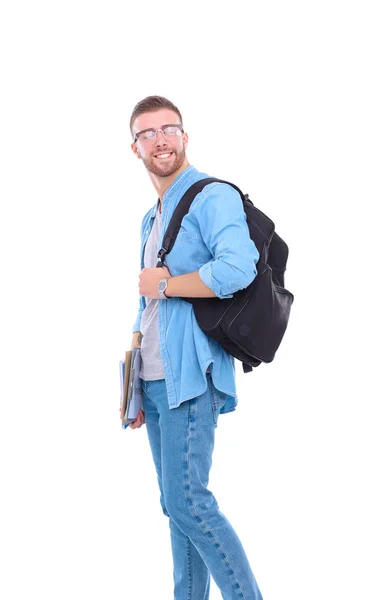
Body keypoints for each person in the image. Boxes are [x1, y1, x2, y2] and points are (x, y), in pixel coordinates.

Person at [128, 95, 263, 600]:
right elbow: (145, 302)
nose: (161, 139)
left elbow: (237, 269)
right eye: (149, 133)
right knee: (175, 505)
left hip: (191, 375)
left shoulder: (211, 197)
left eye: (170, 128)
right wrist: (133, 385)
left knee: (190, 502)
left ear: (185, 137)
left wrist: (165, 284)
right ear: (134, 147)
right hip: (155, 378)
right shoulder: (151, 216)